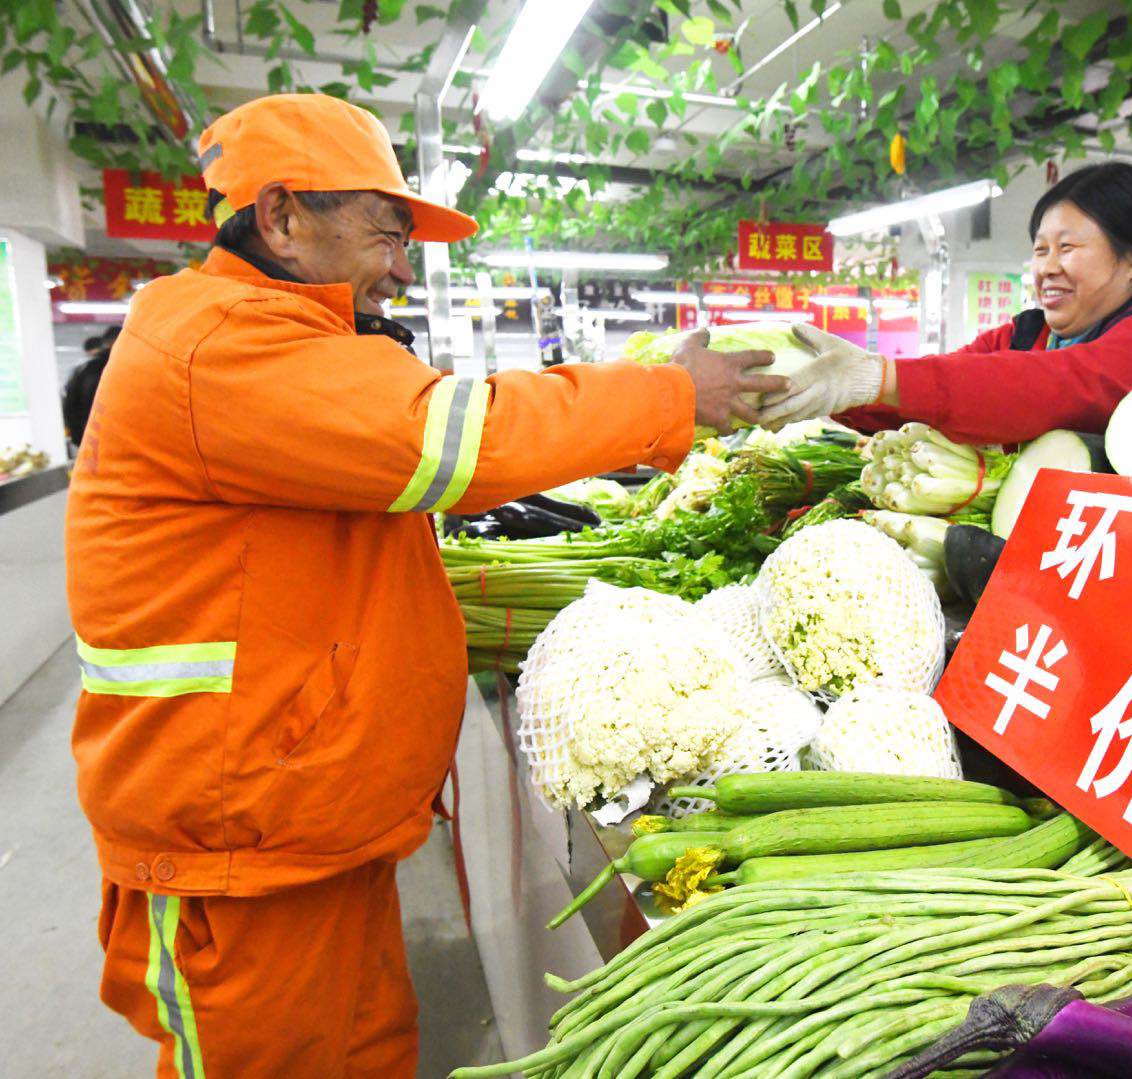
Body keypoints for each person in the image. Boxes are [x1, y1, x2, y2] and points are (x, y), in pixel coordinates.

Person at [65, 93, 780, 1079]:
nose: (402, 264)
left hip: (306, 821)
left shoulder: (277, 339)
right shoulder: (217, 344)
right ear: (280, 216)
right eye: (385, 232)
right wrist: (662, 393)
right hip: (236, 845)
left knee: (366, 1050)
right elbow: (451, 437)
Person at [761, 162, 1132, 442]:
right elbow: (943, 389)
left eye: (1067, 248)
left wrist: (879, 377)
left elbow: (1057, 388)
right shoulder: (1027, 334)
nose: (1046, 268)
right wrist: (825, 390)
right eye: (1041, 250)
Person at [61, 325, 119, 449]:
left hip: (90, 442)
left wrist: (78, 439)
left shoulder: (83, 369)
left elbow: (68, 405)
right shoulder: (127, 368)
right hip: (118, 443)